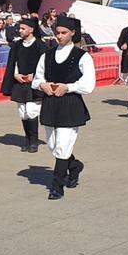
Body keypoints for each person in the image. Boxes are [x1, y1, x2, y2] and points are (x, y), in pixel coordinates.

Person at [31, 14, 94, 199]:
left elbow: (89, 83)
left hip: (70, 104)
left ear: (72, 33)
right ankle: (74, 166)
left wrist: (69, 87)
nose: (59, 36)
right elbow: (37, 78)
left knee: (62, 145)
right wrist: (42, 85)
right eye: (57, 32)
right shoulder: (47, 55)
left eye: (63, 33)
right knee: (53, 146)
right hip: (50, 102)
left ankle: (57, 186)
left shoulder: (82, 56)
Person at [1, 17, 46, 151]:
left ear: (31, 30)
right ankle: (27, 139)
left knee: (32, 111)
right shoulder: (17, 45)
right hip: (20, 83)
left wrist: (35, 76)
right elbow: (13, 62)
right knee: (23, 112)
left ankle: (34, 141)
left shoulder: (40, 45)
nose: (20, 31)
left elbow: (44, 63)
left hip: (34, 84)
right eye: (20, 28)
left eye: (23, 28)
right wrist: (16, 75)